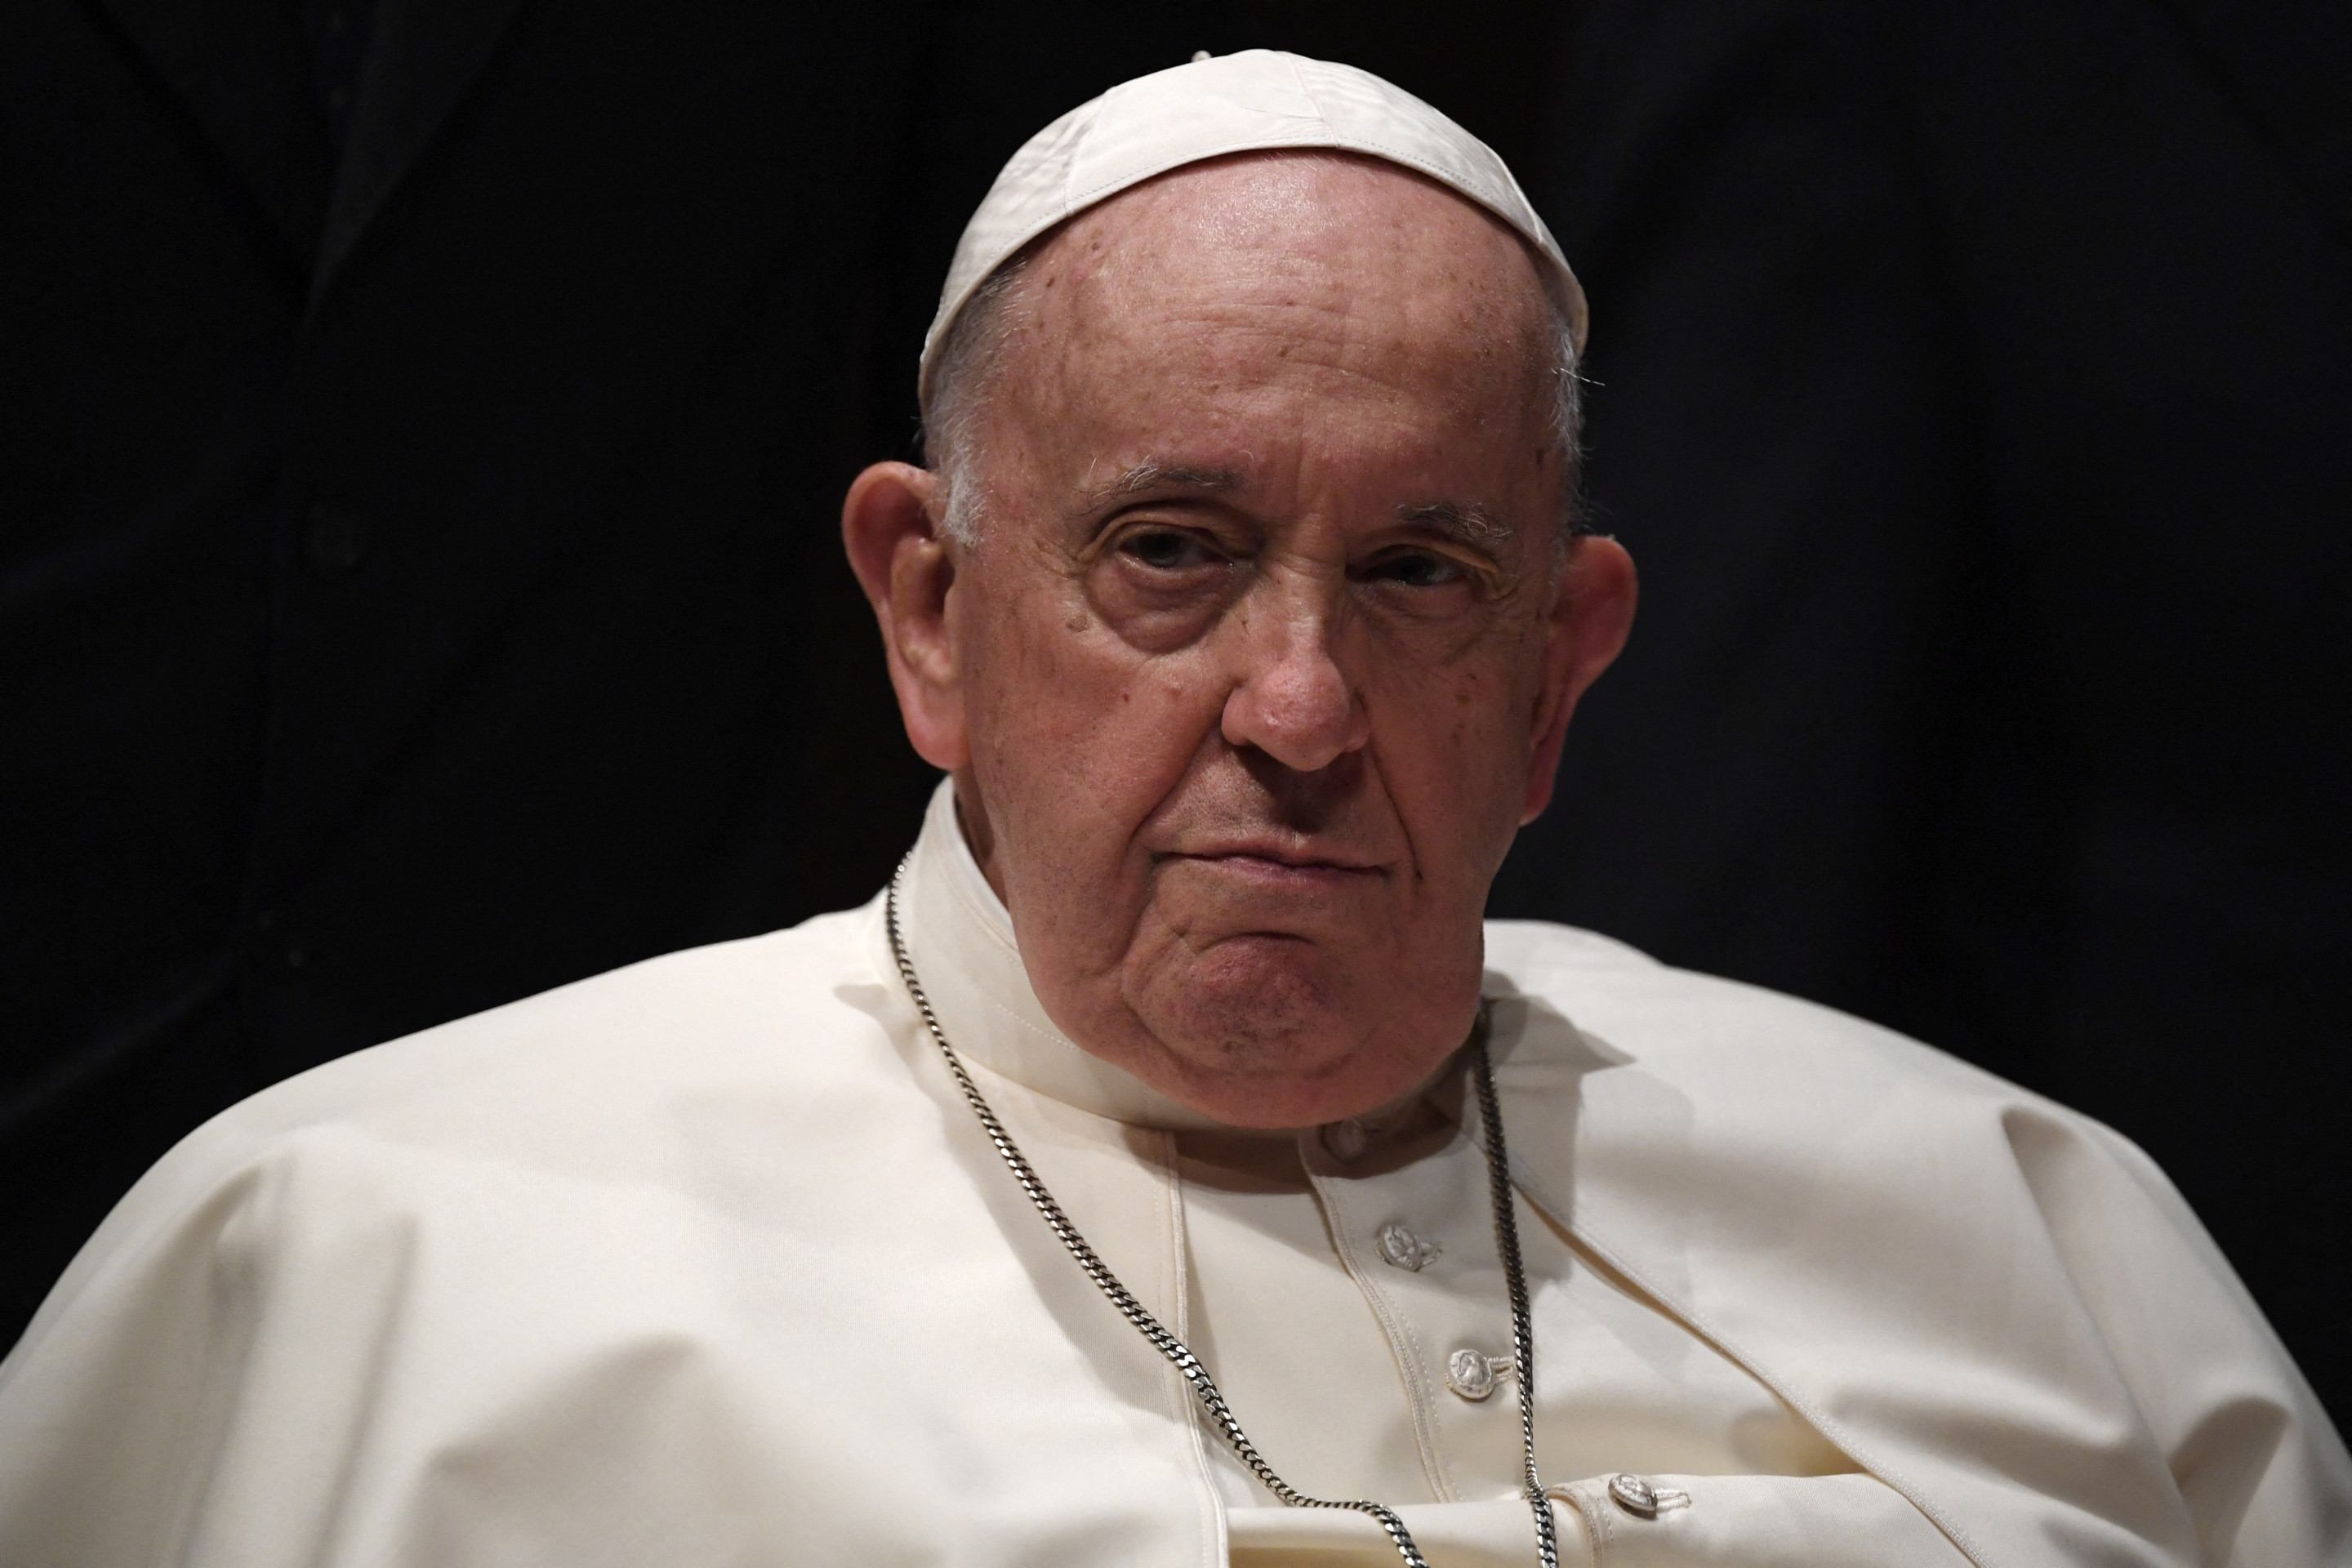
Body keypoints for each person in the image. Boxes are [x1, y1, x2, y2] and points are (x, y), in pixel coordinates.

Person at [0, 51, 2342, 1566]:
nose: (1300, 707)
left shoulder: (2030, 1241)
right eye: (1174, 556)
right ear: (930, 610)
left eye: (1423, 575)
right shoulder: (366, 1262)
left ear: (1563, 674)